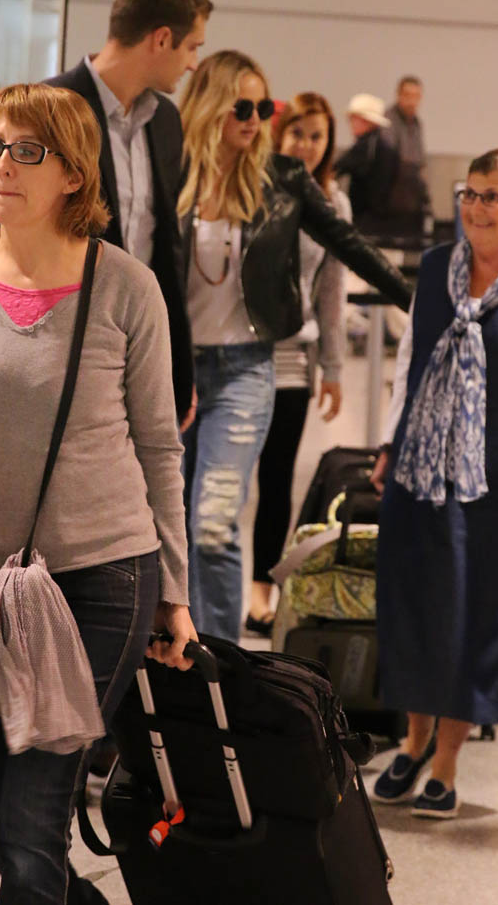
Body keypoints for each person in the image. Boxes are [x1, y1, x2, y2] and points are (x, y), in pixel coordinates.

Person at [0, 82, 195, 905]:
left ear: (74, 174)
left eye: (27, 151)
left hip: (101, 576)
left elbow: (159, 446)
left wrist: (175, 591)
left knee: (32, 822)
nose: (2, 165)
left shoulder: (126, 287)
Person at [178, 50, 412, 643]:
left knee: (213, 523)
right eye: (243, 107)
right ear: (210, 106)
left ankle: (218, 662)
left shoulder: (281, 178)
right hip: (171, 371)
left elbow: (347, 245)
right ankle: (170, 653)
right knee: (168, 525)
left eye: (264, 108)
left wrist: (418, 299)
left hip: (244, 369)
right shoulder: (169, 173)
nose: (256, 119)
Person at [370, 149, 498, 819]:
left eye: (494, 196)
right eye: (470, 193)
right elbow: (408, 362)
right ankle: (412, 741)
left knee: (476, 612)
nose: (477, 208)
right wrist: (390, 443)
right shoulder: (435, 268)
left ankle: (447, 762)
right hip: (422, 471)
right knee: (416, 605)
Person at [46, 0, 213, 429]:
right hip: (58, 348)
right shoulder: (50, 106)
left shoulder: (166, 121)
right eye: (193, 46)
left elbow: (167, 251)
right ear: (162, 39)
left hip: (141, 348)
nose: (194, 63)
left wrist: (179, 366)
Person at [247, 91, 349, 633]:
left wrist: (333, 367)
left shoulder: (333, 201)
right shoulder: (253, 185)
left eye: (316, 136)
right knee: (221, 478)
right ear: (279, 134)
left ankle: (261, 593)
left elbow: (332, 291)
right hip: (239, 348)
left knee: (277, 476)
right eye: (298, 133)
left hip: (293, 355)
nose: (306, 145)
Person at [333, 92, 398, 239]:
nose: (350, 124)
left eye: (352, 119)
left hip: (364, 220)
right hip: (381, 219)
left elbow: (335, 169)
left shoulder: (364, 147)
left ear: (365, 121)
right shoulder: (385, 146)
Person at [385, 75, 432, 241]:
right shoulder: (389, 120)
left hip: (413, 196)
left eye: (416, 96)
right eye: (407, 95)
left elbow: (420, 160)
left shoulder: (417, 123)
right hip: (393, 199)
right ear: (398, 95)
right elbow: (392, 159)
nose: (411, 101)